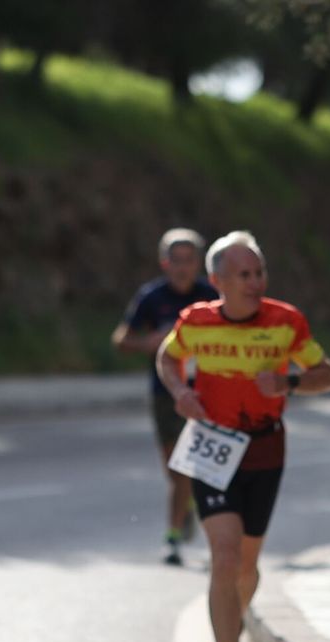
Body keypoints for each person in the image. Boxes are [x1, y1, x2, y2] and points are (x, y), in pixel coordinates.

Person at [156, 231, 330, 642]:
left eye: (259, 272)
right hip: (213, 447)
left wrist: (288, 381)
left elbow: (326, 374)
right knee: (225, 555)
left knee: (247, 567)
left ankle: (226, 632)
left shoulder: (285, 321)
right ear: (217, 281)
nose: (256, 282)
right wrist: (180, 392)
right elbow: (168, 358)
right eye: (244, 275)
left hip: (264, 449)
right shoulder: (196, 321)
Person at [114, 228, 219, 565]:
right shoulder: (152, 297)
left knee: (203, 468)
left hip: (207, 394)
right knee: (176, 469)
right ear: (165, 263)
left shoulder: (212, 295)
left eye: (189, 260)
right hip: (166, 393)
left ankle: (177, 539)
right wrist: (149, 343)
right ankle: (183, 515)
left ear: (198, 264)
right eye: (176, 260)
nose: (182, 267)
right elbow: (121, 339)